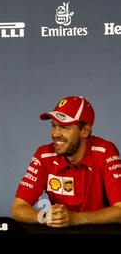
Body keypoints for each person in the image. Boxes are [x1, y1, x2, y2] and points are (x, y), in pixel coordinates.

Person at [11, 96, 121, 227]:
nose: (55, 134)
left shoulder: (104, 152)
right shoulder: (44, 155)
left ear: (85, 131)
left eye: (64, 127)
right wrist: (46, 217)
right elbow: (17, 209)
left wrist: (76, 219)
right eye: (54, 126)